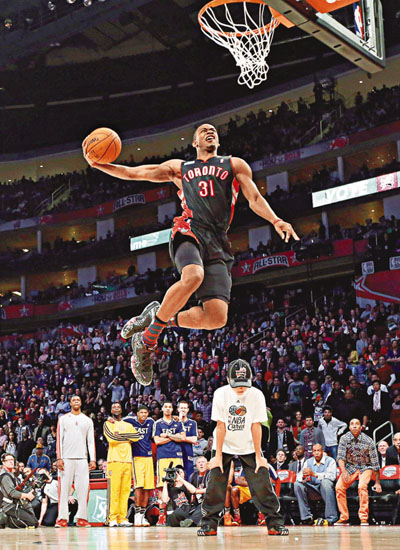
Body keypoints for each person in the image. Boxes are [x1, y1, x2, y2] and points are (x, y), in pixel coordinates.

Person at [83, 124, 299, 386]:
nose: (210, 131)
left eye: (213, 130)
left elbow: (254, 198)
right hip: (189, 229)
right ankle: (148, 342)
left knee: (217, 318)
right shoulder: (181, 168)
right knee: (194, 275)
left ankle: (157, 316)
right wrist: (99, 165)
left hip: (217, 241)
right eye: (204, 130)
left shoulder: (234, 164)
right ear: (194, 142)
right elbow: (135, 172)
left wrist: (276, 220)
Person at [197, 359, 288, 536]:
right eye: (237, 383)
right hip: (223, 443)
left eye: (244, 383)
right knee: (216, 483)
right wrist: (217, 456)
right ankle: (209, 524)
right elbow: (221, 426)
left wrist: (259, 456)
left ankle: (274, 523)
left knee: (262, 482)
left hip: (249, 444)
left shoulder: (257, 395)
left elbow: (256, 426)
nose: (241, 388)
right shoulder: (220, 394)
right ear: (228, 380)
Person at [56, 395, 96, 528]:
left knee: (83, 489)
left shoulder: (87, 420)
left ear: (81, 403)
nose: (76, 401)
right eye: (74, 400)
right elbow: (59, 440)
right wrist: (59, 458)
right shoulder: (63, 419)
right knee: (64, 490)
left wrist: (93, 459)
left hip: (82, 459)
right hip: (66, 459)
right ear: (70, 403)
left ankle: (82, 518)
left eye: (78, 400)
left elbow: (91, 441)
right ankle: (62, 519)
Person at [335, 418, 381, 525]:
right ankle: (344, 516)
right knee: (339, 487)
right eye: (352, 424)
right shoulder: (344, 438)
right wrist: (343, 471)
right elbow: (340, 457)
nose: (354, 426)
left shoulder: (368, 440)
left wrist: (377, 482)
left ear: (361, 427)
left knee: (362, 487)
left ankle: (363, 517)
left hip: (365, 466)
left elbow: (375, 462)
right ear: (349, 427)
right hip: (350, 467)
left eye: (357, 424)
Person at [103, 402, 141, 527]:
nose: (116, 408)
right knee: (114, 490)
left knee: (125, 491)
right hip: (114, 461)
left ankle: (122, 518)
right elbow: (111, 438)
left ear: (121, 409)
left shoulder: (128, 425)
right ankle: (113, 518)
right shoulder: (108, 424)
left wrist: (119, 435)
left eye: (118, 407)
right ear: (111, 410)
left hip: (127, 461)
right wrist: (126, 437)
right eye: (114, 407)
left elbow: (136, 436)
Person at [153, 400, 185, 525]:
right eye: (165, 407)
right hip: (163, 456)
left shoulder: (178, 422)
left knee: (178, 484)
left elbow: (182, 438)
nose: (167, 409)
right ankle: (162, 515)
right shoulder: (158, 423)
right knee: (162, 485)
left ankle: (179, 513)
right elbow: (157, 441)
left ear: (172, 409)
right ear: (162, 409)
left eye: (169, 407)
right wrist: (174, 437)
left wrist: (167, 435)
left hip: (177, 455)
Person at [123, 405, 155, 526]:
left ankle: (142, 515)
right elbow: (119, 420)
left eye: (145, 412)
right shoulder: (130, 420)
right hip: (136, 457)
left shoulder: (151, 422)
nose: (143, 414)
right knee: (138, 486)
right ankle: (137, 515)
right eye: (141, 412)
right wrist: (111, 419)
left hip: (148, 457)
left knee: (147, 487)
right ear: (137, 413)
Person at [294, 444, 338, 525]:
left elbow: (332, 477)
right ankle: (306, 517)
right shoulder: (308, 462)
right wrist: (304, 476)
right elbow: (298, 477)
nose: (317, 453)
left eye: (318, 450)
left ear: (322, 452)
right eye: (315, 451)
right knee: (297, 484)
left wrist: (314, 474)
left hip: (326, 490)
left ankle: (331, 517)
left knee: (326, 482)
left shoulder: (330, 461)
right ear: (312, 453)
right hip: (313, 489)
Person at [0, 453, 38, 528]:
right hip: (8, 506)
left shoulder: (12, 474)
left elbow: (18, 490)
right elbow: (12, 493)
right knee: (32, 523)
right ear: (3, 462)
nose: (11, 462)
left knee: (34, 521)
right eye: (8, 460)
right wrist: (27, 495)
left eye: (12, 460)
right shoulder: (5, 476)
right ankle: (6, 521)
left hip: (16, 504)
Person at [178, 400, 198, 479]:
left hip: (188, 452)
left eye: (185, 408)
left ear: (188, 410)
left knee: (189, 477)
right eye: (181, 408)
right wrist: (179, 421)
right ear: (178, 409)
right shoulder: (174, 422)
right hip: (176, 452)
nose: (183, 410)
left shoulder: (192, 423)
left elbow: (194, 440)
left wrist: (181, 438)